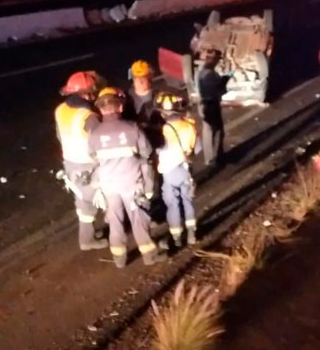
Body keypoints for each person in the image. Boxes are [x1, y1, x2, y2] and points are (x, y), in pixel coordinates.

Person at [88, 88, 166, 268]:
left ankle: (119, 259)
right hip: (132, 183)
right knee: (139, 219)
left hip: (109, 185)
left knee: (115, 221)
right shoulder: (133, 128)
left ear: (100, 110)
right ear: (120, 108)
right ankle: (149, 256)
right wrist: (148, 186)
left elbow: (93, 158)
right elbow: (146, 155)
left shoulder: (94, 134)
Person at [55, 70, 108, 251]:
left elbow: (59, 136)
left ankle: (87, 238)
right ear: (86, 94)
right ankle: (116, 233)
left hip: (71, 163)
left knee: (83, 202)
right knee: (109, 198)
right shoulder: (88, 116)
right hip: (89, 165)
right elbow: (100, 142)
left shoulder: (60, 110)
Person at [155, 92, 200, 247]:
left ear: (162, 112)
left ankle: (176, 238)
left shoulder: (162, 131)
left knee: (173, 205)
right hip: (186, 170)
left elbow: (158, 150)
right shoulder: (190, 125)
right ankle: (192, 235)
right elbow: (197, 148)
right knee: (188, 201)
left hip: (169, 173)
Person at [197, 49, 229, 166]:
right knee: (216, 131)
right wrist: (225, 80)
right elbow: (220, 90)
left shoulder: (201, 72)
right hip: (211, 105)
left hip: (203, 104)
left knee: (208, 132)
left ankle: (209, 158)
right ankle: (215, 159)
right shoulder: (211, 75)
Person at [126, 60, 158, 125]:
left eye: (143, 78)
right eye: (137, 78)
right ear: (132, 79)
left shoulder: (159, 97)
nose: (140, 82)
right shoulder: (126, 99)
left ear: (150, 78)